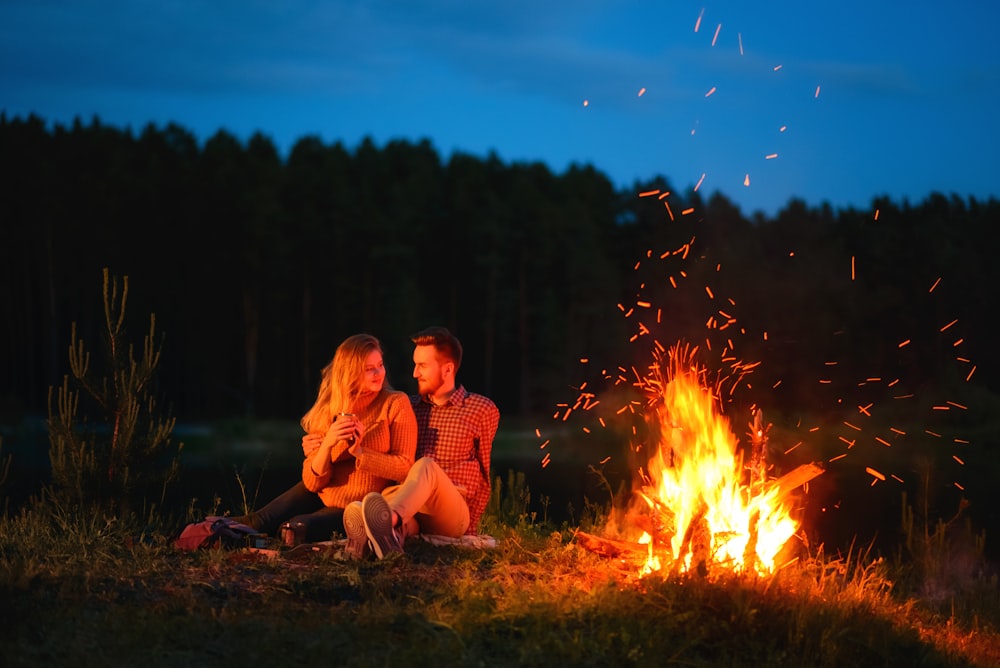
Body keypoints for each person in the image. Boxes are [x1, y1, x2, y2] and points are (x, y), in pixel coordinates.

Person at [232, 333, 416, 547]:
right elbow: (312, 482)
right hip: (319, 492)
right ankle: (199, 534)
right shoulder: (331, 407)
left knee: (295, 529)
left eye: (380, 365)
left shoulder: (395, 403)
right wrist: (327, 445)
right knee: (257, 521)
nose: (378, 373)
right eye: (368, 369)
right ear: (350, 372)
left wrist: (360, 453)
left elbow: (404, 466)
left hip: (357, 505)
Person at [343, 326, 500, 559]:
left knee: (426, 466)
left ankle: (389, 521)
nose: (415, 373)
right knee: (378, 498)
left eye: (423, 366)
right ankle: (385, 539)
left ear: (447, 369)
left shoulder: (481, 409)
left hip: (451, 509)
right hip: (414, 505)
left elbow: (484, 473)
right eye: (415, 364)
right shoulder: (409, 406)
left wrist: (469, 529)